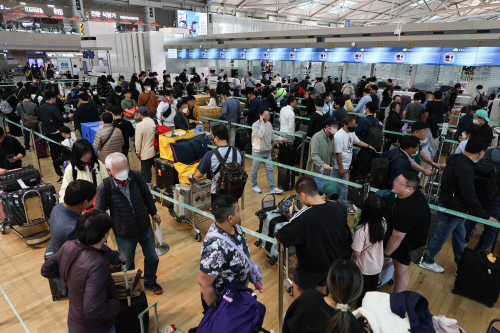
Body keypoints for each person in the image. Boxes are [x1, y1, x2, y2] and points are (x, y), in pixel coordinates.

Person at [419, 136, 498, 274]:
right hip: (453, 208)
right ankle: (427, 260)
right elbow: (469, 195)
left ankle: (461, 263)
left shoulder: (455, 159)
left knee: (460, 236)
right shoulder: (465, 168)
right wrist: (486, 216)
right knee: (441, 236)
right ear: (481, 152)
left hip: (453, 205)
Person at [41, 210, 120, 333]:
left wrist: (74, 279)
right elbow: (92, 309)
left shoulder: (68, 245)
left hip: (74, 319)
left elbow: (46, 270)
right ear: (105, 235)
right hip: (95, 327)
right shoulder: (98, 263)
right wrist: (116, 305)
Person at [94, 152, 162, 294]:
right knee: (128, 264)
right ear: (109, 171)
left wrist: (154, 212)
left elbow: (146, 195)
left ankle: (150, 281)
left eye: (125, 167)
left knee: (153, 257)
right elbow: (99, 214)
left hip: (145, 227)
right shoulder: (104, 187)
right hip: (124, 233)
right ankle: (132, 287)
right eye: (119, 169)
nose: (124, 172)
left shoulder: (136, 176)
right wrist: (102, 235)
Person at [277, 176, 353, 299]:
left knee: (298, 290)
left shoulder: (305, 216)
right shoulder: (337, 209)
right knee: (321, 292)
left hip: (309, 267)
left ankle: (301, 315)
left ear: (303, 195)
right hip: (330, 262)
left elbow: (282, 235)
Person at [198, 195, 253, 312]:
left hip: (237, 296)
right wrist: (215, 313)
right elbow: (204, 283)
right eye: (238, 210)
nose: (240, 212)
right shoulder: (215, 249)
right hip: (224, 305)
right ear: (230, 218)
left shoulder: (235, 227)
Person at [283, 259, 365, 333]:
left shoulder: (308, 297)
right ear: (357, 292)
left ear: (329, 281)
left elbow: (288, 324)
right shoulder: (356, 327)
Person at [384, 172, 430, 293]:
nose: (394, 183)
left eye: (399, 183)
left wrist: (386, 254)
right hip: (404, 238)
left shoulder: (406, 211)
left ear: (410, 188)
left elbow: (397, 237)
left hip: (406, 244)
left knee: (400, 270)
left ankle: (397, 298)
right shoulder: (415, 194)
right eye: (396, 179)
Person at [188, 124, 244, 203]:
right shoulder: (237, 151)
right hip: (234, 190)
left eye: (213, 137)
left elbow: (199, 174)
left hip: (218, 192)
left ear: (216, 138)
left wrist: (192, 176)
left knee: (219, 214)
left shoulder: (210, 154)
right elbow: (240, 167)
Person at [335, 115, 376, 214]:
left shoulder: (351, 132)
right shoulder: (338, 136)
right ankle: (344, 206)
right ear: (345, 125)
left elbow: (357, 141)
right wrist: (341, 168)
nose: (354, 126)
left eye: (354, 124)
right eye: (352, 124)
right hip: (340, 166)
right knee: (343, 186)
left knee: (339, 185)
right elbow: (338, 154)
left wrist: (369, 146)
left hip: (347, 164)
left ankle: (336, 203)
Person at [352, 194, 387, 305]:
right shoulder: (383, 222)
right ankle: (369, 314)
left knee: (361, 294)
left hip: (363, 267)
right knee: (371, 292)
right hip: (377, 265)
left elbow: (356, 253)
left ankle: (360, 316)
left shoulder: (361, 229)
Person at [465, 146, 500, 251]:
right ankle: (479, 251)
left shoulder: (489, 151)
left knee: (472, 219)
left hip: (479, 192)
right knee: (492, 226)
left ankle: (462, 241)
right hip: (496, 196)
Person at [250, 109, 285, 194]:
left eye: (269, 115)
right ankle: (254, 185)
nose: (268, 117)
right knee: (255, 169)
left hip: (267, 151)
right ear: (260, 116)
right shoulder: (255, 125)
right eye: (266, 115)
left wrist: (281, 139)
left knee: (270, 170)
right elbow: (260, 135)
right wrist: (262, 124)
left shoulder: (269, 124)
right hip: (257, 152)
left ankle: (273, 187)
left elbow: (272, 135)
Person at [38, 91, 73, 166]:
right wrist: (69, 118)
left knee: (52, 147)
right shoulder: (53, 108)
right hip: (56, 130)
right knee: (62, 146)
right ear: (52, 99)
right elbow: (61, 119)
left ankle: (55, 162)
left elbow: (39, 118)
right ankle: (62, 162)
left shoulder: (41, 107)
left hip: (47, 131)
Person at [307, 117, 338, 189]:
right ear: (327, 127)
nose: (336, 128)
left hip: (327, 172)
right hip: (315, 171)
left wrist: (332, 167)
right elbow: (314, 155)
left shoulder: (331, 137)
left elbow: (333, 154)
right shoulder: (317, 137)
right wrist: (323, 165)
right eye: (334, 126)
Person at [134, 106, 157, 183]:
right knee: (158, 170)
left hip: (146, 152)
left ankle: (148, 187)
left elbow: (138, 141)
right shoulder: (156, 121)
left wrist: (138, 152)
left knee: (147, 172)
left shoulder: (140, 125)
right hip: (156, 150)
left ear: (140, 114)